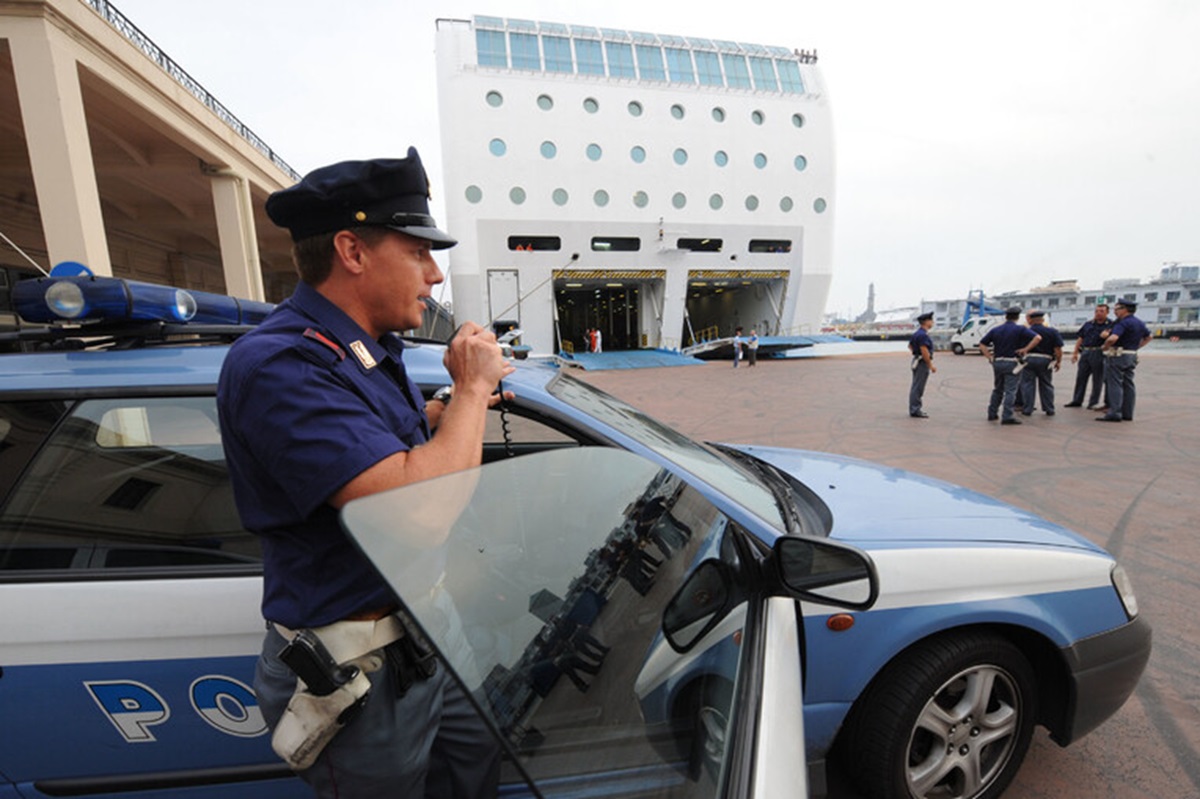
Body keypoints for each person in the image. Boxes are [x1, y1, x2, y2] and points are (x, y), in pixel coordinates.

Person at [217, 150, 508, 798]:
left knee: (476, 769)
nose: (435, 275)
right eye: (419, 252)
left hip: (428, 630)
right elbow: (421, 512)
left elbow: (389, 456)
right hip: (359, 662)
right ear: (352, 250)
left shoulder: (367, 351)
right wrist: (470, 391)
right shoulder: (281, 365)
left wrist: (441, 417)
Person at [978, 306, 1041, 425]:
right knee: (1011, 390)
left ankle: (992, 413)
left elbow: (982, 344)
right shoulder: (1020, 329)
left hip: (998, 362)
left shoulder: (996, 329)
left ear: (1006, 316)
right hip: (1012, 362)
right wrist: (1025, 349)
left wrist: (989, 357)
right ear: (1017, 317)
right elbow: (1037, 338)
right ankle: (1007, 415)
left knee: (998, 389)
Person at [1097, 299, 1152, 422]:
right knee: (1128, 384)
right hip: (1131, 355)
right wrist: (1136, 347)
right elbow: (1149, 337)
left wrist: (1105, 346)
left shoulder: (1122, 323)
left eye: (1117, 309)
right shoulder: (1139, 323)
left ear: (1124, 309)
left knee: (1114, 383)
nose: (1115, 312)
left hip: (1118, 355)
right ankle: (1127, 413)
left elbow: (1113, 338)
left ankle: (1115, 412)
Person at [1065, 303, 1111, 409]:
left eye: (1101, 311)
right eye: (1096, 311)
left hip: (1099, 352)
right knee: (1081, 377)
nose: (1098, 313)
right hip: (1085, 352)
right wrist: (1075, 353)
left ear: (1107, 312)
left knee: (1097, 379)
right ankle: (1077, 400)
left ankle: (1093, 402)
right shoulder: (1088, 324)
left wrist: (1107, 337)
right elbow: (1080, 338)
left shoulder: (1111, 325)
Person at [1018, 310, 1064, 416]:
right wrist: (1058, 361)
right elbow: (1058, 349)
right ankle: (1049, 408)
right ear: (1042, 320)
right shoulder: (1052, 331)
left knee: (1028, 385)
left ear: (1030, 320)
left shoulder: (1025, 332)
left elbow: (1019, 348)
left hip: (1029, 359)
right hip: (1045, 360)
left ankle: (1027, 409)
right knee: (1046, 384)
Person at [907, 312, 936, 418]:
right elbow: (924, 351)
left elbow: (910, 346)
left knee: (916, 385)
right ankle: (915, 409)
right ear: (926, 322)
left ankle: (914, 408)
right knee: (918, 387)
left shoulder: (917, 333)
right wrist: (930, 365)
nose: (932, 322)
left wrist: (916, 353)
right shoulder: (923, 335)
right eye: (931, 320)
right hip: (921, 362)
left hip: (916, 360)